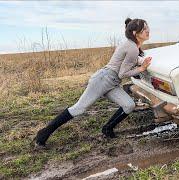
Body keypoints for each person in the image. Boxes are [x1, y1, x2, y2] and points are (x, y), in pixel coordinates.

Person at [34, 18, 152, 147]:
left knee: (129, 105)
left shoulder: (132, 45)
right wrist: (141, 69)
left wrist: (143, 62)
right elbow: (122, 73)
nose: (148, 31)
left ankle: (107, 129)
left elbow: (131, 61)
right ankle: (43, 134)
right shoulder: (132, 48)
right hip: (103, 80)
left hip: (112, 82)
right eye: (144, 29)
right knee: (79, 108)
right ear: (135, 32)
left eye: (147, 28)